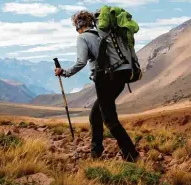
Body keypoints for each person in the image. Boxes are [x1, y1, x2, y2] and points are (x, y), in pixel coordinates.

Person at [54, 10, 139, 162]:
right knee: (95, 115)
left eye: (76, 26)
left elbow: (81, 61)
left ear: (78, 25)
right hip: (121, 76)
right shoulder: (102, 34)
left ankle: (132, 155)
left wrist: (64, 72)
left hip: (106, 79)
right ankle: (96, 153)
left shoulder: (83, 37)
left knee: (110, 119)